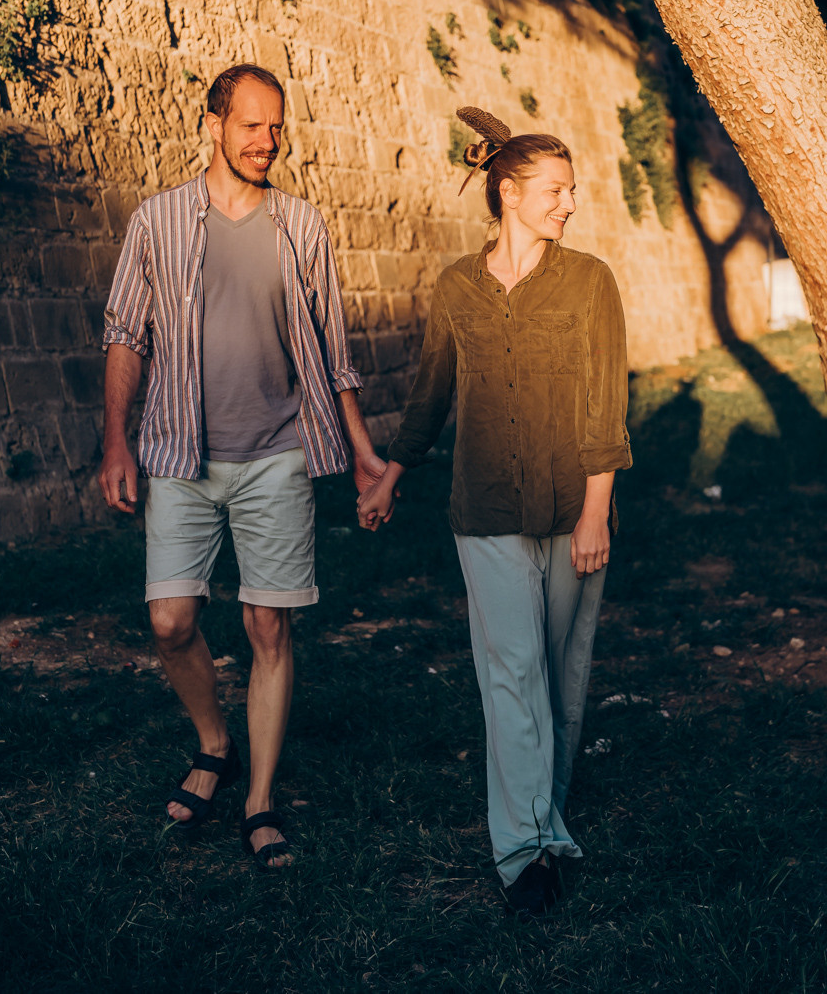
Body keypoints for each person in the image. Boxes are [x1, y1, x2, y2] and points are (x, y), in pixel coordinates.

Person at [98, 64, 384, 870]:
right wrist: (116, 441)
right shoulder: (157, 222)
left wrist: (362, 455)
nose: (268, 141)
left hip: (277, 456)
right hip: (179, 454)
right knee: (170, 621)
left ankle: (258, 799)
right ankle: (213, 741)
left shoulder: (302, 226)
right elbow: (126, 334)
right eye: (253, 125)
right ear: (215, 125)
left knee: (268, 626)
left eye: (278, 127)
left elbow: (335, 352)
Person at [356, 106, 632, 918]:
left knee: (560, 674)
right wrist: (392, 475)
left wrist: (595, 511)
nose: (569, 204)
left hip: (573, 507)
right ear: (508, 193)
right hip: (484, 513)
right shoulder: (455, 288)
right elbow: (431, 393)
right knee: (510, 676)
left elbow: (604, 404)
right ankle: (525, 852)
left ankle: (548, 819)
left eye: (571, 190)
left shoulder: (589, 281)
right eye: (555, 189)